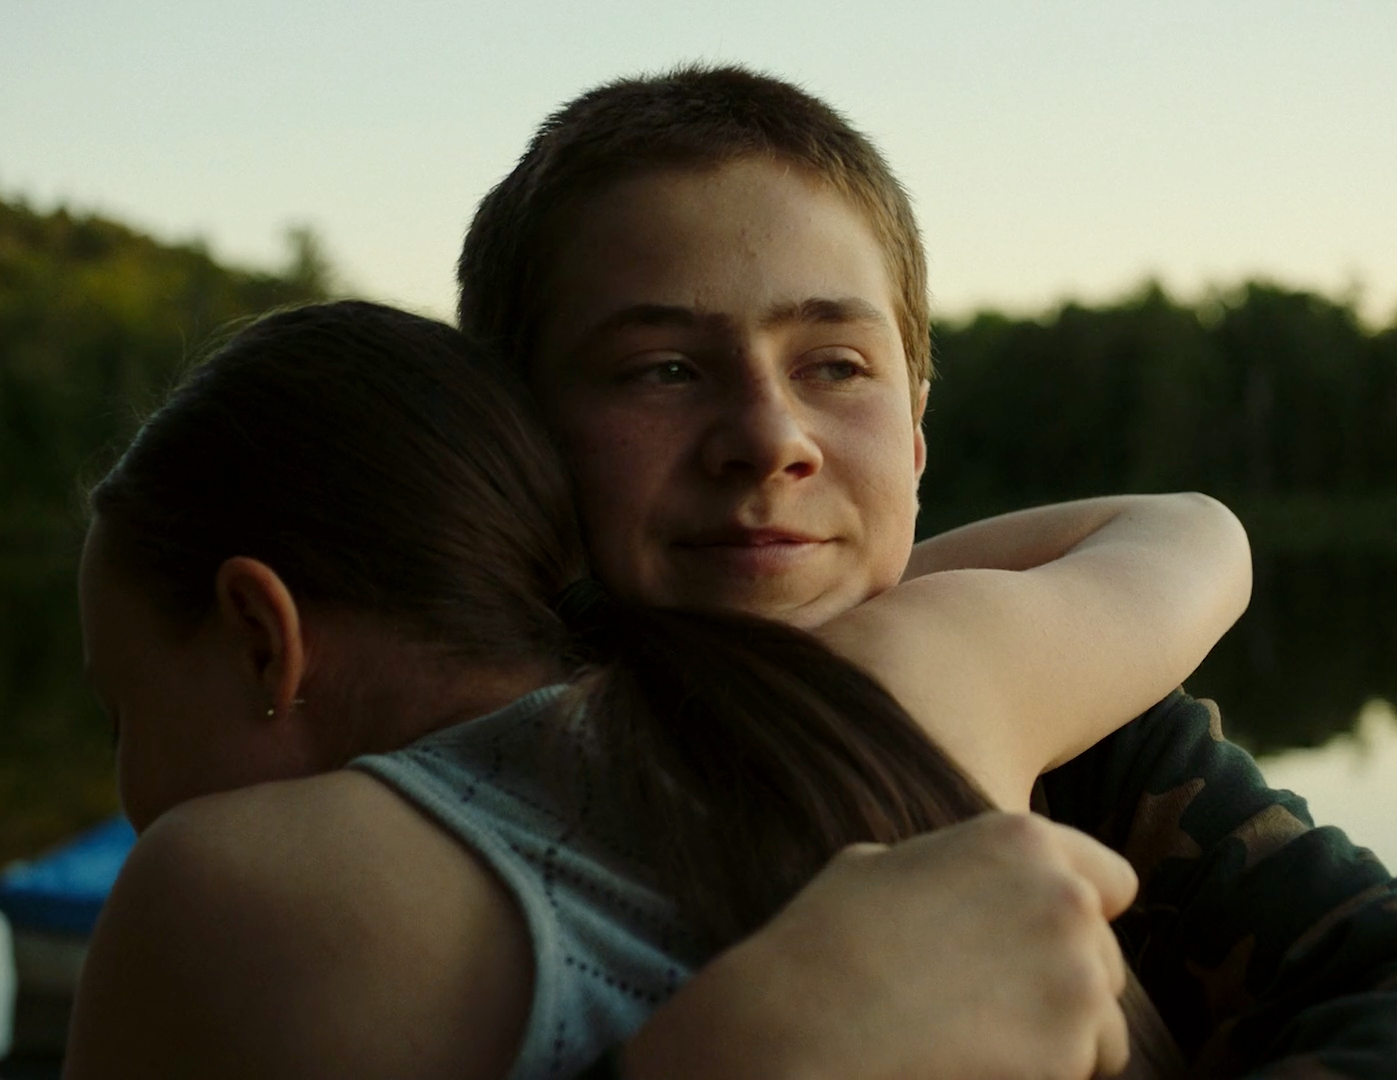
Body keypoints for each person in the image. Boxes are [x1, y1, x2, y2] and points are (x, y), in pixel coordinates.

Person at [455, 65, 1397, 1076]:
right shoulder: (428, 838)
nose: (769, 438)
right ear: (511, 439)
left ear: (915, 435)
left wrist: (921, 633)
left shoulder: (1080, 736)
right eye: (663, 369)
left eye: (834, 364)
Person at [66, 301, 1244, 1079]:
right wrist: (838, 623)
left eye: (123, 712)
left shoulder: (218, 892)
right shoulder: (911, 676)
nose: (126, 792)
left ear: (260, 635)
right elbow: (1186, 532)